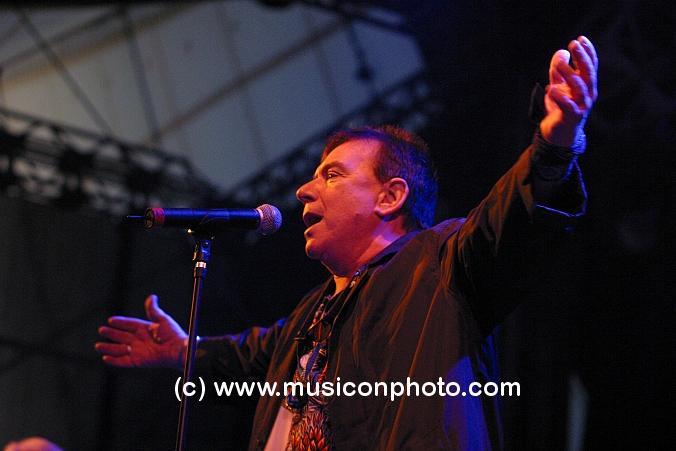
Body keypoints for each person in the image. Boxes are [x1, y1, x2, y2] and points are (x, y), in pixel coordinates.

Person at [96, 36, 598, 450]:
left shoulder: (440, 265)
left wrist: (555, 145)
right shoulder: (310, 314)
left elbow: (507, 222)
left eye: (331, 175)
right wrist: (185, 351)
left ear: (390, 196)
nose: (304, 190)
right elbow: (248, 356)